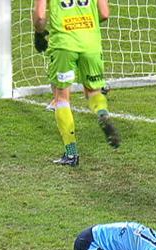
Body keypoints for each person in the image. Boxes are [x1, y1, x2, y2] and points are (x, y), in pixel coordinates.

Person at [33, 0, 120, 167]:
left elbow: (40, 17)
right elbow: (104, 13)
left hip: (64, 44)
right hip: (91, 43)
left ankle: (71, 153)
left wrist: (39, 33)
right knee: (93, 91)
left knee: (61, 97)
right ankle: (102, 114)